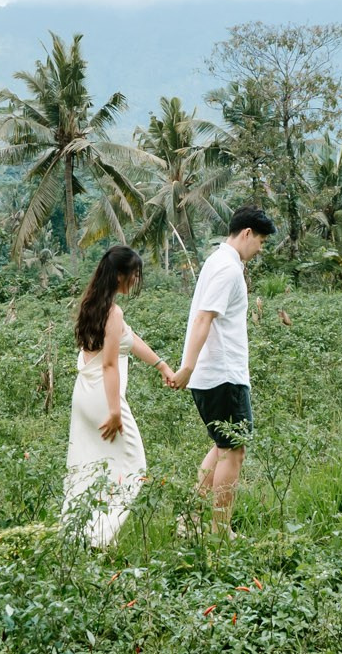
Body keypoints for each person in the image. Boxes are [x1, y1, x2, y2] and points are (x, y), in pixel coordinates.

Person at [169, 207, 275, 536]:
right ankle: (220, 529)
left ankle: (190, 520)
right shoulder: (227, 269)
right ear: (246, 233)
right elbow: (204, 318)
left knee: (221, 446)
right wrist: (187, 366)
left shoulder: (218, 261)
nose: (260, 248)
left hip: (215, 374)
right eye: (260, 241)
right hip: (222, 375)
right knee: (234, 452)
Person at [63, 245, 174, 548]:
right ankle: (99, 536)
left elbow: (129, 338)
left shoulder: (94, 304)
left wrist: (161, 365)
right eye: (135, 274)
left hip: (85, 393)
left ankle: (81, 532)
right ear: (121, 275)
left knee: (91, 463)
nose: (137, 280)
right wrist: (114, 411)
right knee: (133, 463)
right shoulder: (113, 311)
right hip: (103, 397)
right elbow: (110, 364)